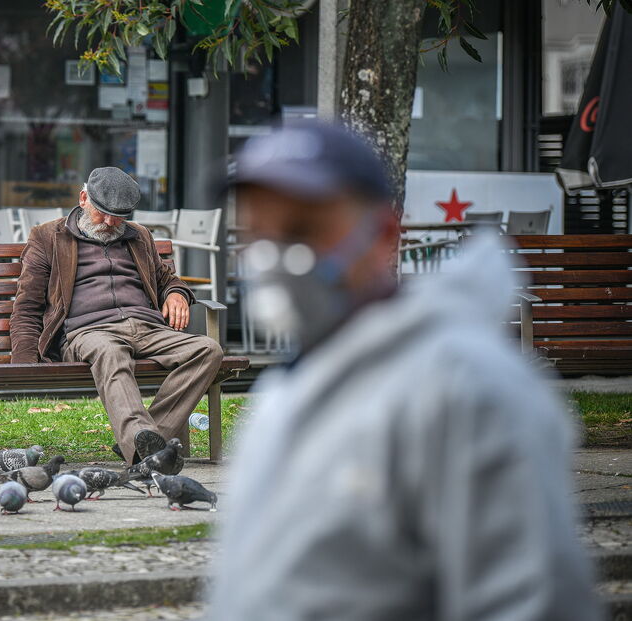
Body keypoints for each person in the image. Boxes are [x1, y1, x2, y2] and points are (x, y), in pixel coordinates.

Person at [209, 122, 600, 620]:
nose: (273, 258)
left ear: (385, 236)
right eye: (255, 235)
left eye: (304, 230)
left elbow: (529, 603)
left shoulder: (467, 388)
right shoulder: (294, 383)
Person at [10, 167, 224, 464]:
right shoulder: (48, 237)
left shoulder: (139, 236)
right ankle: (140, 448)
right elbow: (27, 304)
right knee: (110, 352)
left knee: (207, 349)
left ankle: (150, 438)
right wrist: (24, 362)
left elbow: (167, 279)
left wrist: (177, 293)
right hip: (88, 332)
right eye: (103, 213)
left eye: (120, 215)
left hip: (147, 328)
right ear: (84, 198)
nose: (111, 222)